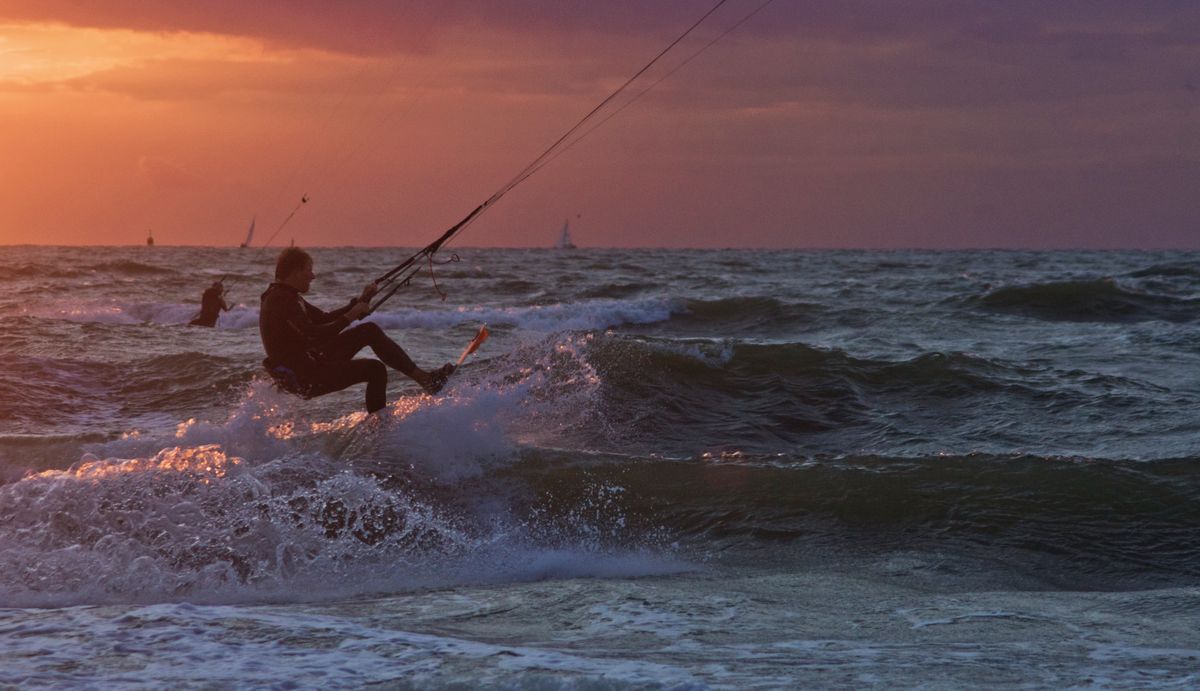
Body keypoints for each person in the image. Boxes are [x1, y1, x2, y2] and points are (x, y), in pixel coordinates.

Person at [259, 247, 453, 413]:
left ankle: (425, 380)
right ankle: (379, 430)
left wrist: (360, 302)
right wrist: (350, 316)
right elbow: (314, 335)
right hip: (305, 377)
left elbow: (323, 318)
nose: (313, 275)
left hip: (310, 363)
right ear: (295, 271)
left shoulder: (287, 295)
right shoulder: (281, 300)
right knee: (375, 370)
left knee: (369, 330)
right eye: (309, 270)